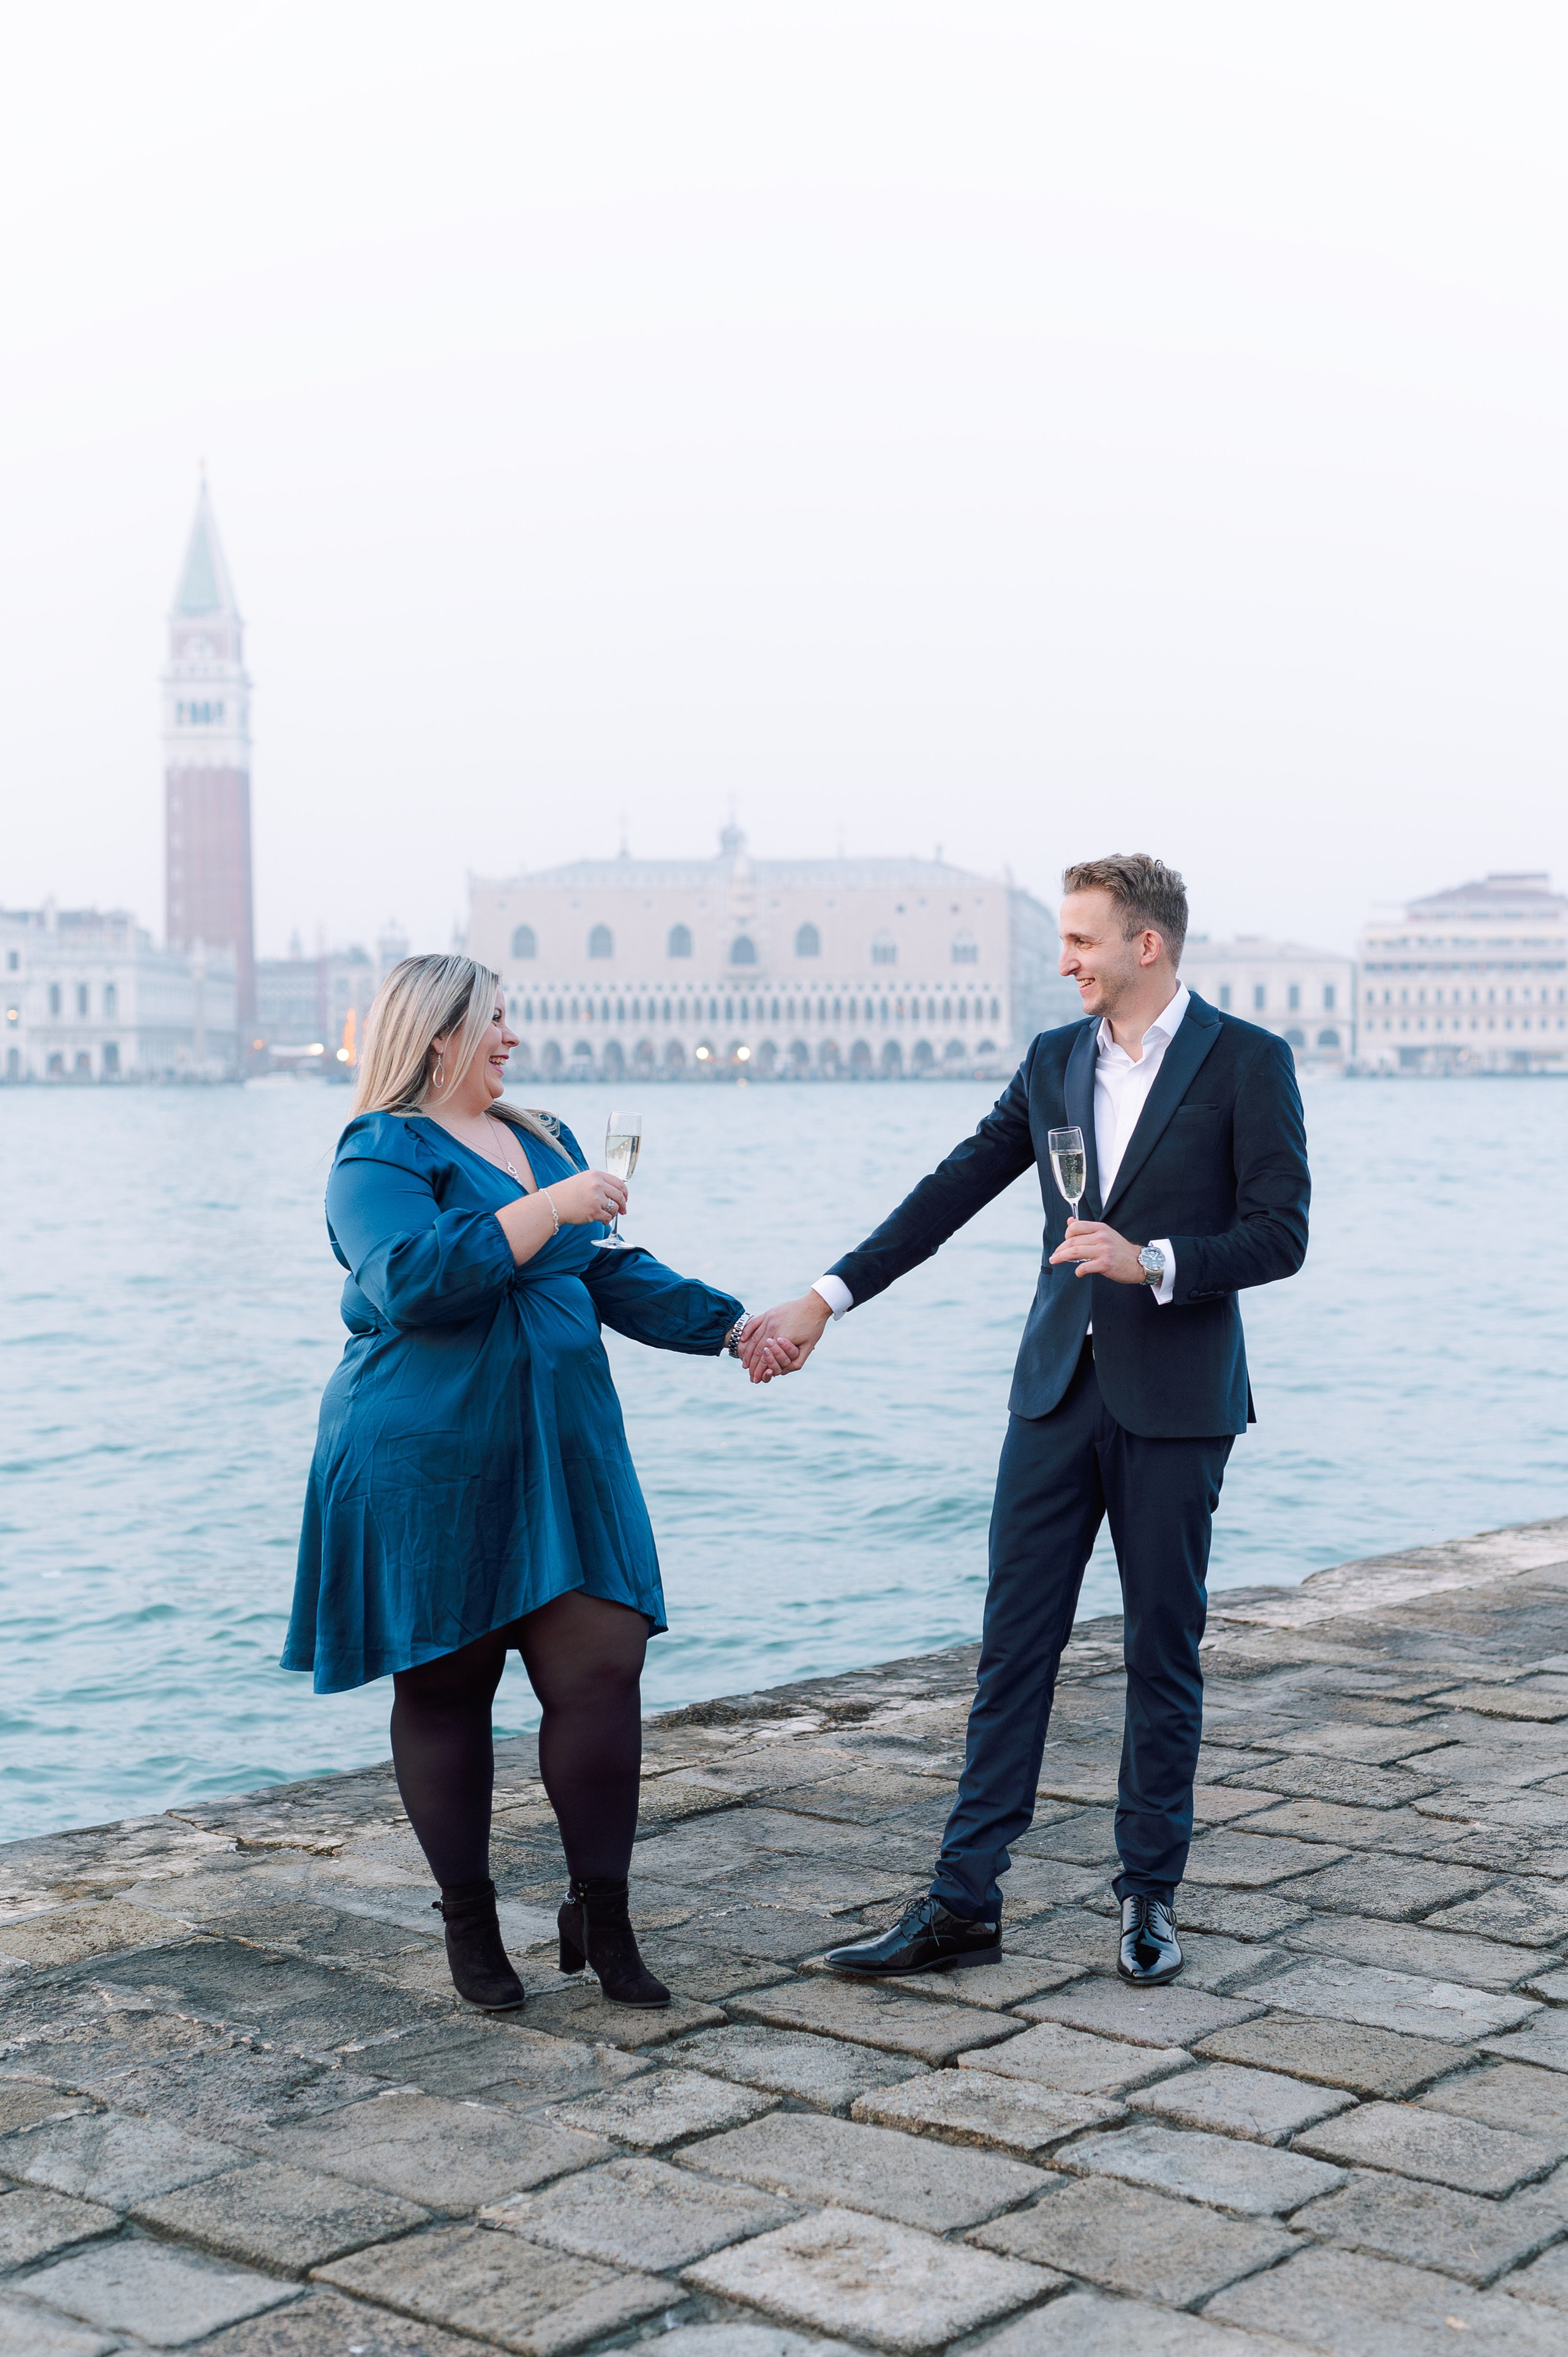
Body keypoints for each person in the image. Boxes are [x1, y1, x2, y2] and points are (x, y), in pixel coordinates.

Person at [741, 855, 1309, 1986]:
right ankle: (963, 1903)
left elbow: (1281, 1232)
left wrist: (1152, 1262)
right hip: (1053, 1391)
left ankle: (1149, 1897)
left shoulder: (1249, 1061)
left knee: (1162, 1648)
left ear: (1146, 944)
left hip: (1180, 1401)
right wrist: (825, 1298)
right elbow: (954, 1187)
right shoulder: (1054, 1062)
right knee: (1013, 1648)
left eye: (1082, 941)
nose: (1065, 962)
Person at [284, 953, 794, 2013]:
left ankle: (602, 1917)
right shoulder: (375, 1151)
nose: (512, 1039)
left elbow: (606, 1268)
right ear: (437, 1038)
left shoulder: (541, 1139)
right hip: (428, 1456)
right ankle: (470, 1929)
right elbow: (414, 1280)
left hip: (565, 1450)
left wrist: (731, 1326)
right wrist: (548, 1207)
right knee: (445, 1686)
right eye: (494, 1022)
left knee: (603, 1665)